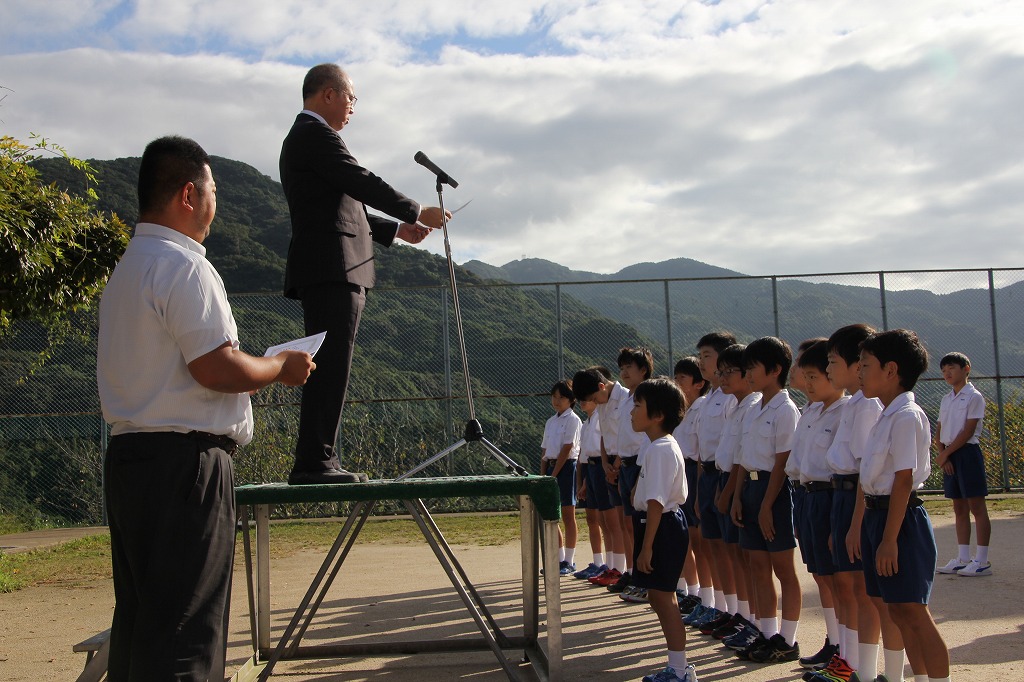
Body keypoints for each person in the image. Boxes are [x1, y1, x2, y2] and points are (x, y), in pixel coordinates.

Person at [97, 136, 316, 681]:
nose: (218, 204)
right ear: (189, 194)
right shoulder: (184, 266)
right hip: (185, 469)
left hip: (129, 461)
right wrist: (280, 366)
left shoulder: (127, 270)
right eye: (214, 190)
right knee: (186, 634)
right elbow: (216, 368)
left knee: (143, 622)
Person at [280, 63, 449, 485]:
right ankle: (314, 462)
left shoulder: (313, 138)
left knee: (333, 363)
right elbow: (359, 180)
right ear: (329, 95)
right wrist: (414, 208)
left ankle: (321, 457)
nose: (354, 106)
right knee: (330, 364)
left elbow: (345, 205)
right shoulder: (313, 134)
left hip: (338, 266)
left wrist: (396, 229)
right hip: (331, 267)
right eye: (351, 96)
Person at [851, 329, 950, 682]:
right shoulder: (885, 414)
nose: (859, 373)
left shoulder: (907, 416)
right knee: (897, 611)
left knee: (914, 612)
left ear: (891, 370)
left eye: (865, 365)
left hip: (901, 522)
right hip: (880, 517)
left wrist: (890, 540)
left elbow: (903, 481)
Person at [817, 323, 905, 682]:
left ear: (858, 365)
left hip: (858, 496)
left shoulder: (868, 407)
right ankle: (853, 664)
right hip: (843, 495)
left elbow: (867, 471)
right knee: (851, 586)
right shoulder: (855, 404)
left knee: (869, 594)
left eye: (833, 362)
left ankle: (868, 671)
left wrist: (855, 525)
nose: (828, 371)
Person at [730, 336, 802, 663]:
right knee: (757, 565)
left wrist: (767, 506)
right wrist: (737, 497)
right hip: (750, 488)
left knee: (783, 568)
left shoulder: (786, 409)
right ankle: (767, 632)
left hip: (774, 491)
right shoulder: (754, 407)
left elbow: (782, 462)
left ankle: (788, 639)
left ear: (774, 370)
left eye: (752, 367)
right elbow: (745, 456)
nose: (747, 373)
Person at [630, 378, 697, 682]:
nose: (632, 411)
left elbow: (656, 503)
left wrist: (647, 548)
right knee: (658, 597)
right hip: (658, 525)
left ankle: (680, 671)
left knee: (664, 597)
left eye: (638, 405)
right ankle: (677, 667)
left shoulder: (660, 449)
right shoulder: (656, 446)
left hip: (663, 527)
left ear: (657, 415)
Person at [789, 340, 849, 674]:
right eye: (805, 376)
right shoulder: (811, 411)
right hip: (807, 495)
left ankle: (843, 647)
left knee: (838, 578)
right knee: (821, 575)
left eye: (815, 376)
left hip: (830, 495)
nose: (808, 383)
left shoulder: (846, 410)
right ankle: (833, 640)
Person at [712, 344, 762, 648]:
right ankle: (744, 616)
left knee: (749, 560)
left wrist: (729, 493)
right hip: (726, 482)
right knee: (736, 556)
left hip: (745, 486)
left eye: (730, 371)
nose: (723, 377)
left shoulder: (753, 405)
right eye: (722, 371)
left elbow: (742, 458)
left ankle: (757, 622)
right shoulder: (735, 405)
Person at [935, 352, 993, 576]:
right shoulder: (946, 398)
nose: (947, 373)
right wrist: (943, 455)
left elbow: (968, 431)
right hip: (949, 455)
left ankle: (982, 561)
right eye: (943, 370)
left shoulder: (974, 396)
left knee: (977, 507)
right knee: (959, 508)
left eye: (952, 368)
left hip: (967, 453)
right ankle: (963, 557)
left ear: (966, 368)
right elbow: (939, 429)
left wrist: (945, 453)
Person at [571, 365, 628, 589]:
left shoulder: (624, 399)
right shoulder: (603, 404)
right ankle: (614, 568)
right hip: (605, 465)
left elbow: (628, 434)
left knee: (623, 524)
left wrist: (616, 463)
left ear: (602, 386)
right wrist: (605, 463)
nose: (594, 402)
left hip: (623, 462)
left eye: (594, 398)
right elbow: (605, 437)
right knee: (607, 521)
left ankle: (625, 570)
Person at [671, 356, 710, 616]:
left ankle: (704, 596)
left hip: (697, 471)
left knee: (699, 540)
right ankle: (692, 590)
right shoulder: (681, 411)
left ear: (698, 383)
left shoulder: (703, 408)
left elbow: (699, 451)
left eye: (682, 378)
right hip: (682, 471)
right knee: (685, 538)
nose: (677, 383)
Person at [540, 380, 583, 575]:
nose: (557, 401)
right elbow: (545, 449)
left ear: (572, 400)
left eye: (562, 397)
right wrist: (543, 474)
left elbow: (567, 448)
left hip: (566, 468)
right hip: (551, 467)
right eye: (554, 397)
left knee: (568, 513)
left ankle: (569, 560)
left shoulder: (573, 420)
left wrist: (554, 474)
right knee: (551, 514)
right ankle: (557, 558)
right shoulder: (550, 421)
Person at [574, 396, 612, 579]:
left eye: (587, 398)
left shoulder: (600, 418)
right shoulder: (585, 423)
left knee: (606, 520)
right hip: (589, 469)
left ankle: (611, 565)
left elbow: (599, 450)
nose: (583, 401)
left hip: (599, 467)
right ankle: (597, 561)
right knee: (592, 518)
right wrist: (583, 482)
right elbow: (583, 455)